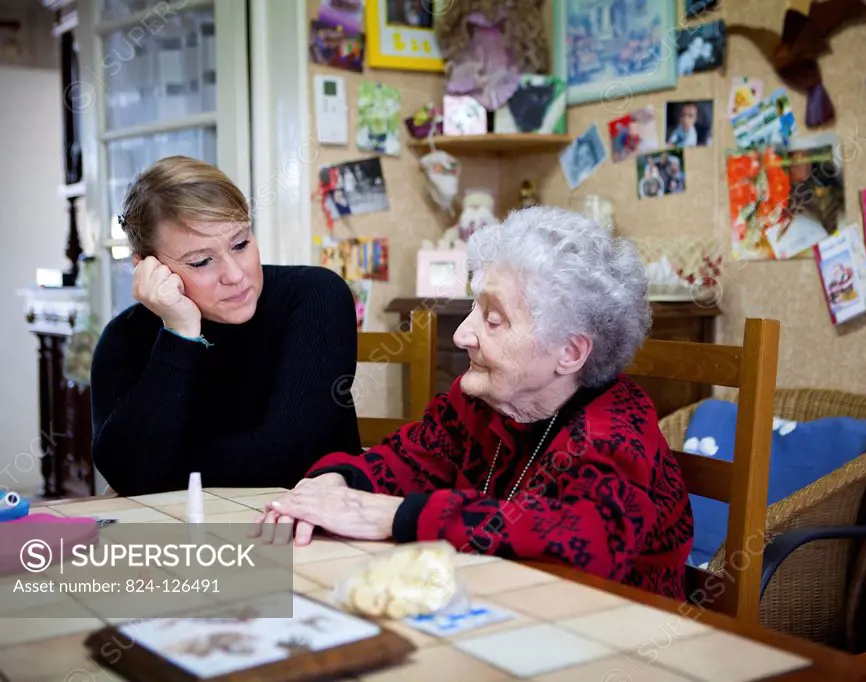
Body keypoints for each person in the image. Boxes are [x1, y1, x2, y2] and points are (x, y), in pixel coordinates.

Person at [257, 206, 695, 600]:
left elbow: (583, 543)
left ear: (570, 352)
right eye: (473, 308)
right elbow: (405, 458)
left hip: (614, 638)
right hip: (500, 607)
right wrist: (337, 481)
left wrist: (399, 516)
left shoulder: (615, 431)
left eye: (493, 319)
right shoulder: (482, 403)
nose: (462, 335)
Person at [90, 156, 362, 496]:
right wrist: (179, 334)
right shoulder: (123, 338)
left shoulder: (315, 296)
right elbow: (126, 472)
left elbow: (285, 462)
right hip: (187, 535)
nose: (235, 275)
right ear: (147, 267)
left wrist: (159, 471)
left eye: (241, 243)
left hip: (314, 533)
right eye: (201, 261)